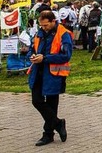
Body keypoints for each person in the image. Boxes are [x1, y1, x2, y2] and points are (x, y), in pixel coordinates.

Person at [27, 10, 72, 146]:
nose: (43, 28)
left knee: (52, 104)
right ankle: (58, 123)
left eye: (46, 25)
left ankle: (48, 134)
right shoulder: (39, 33)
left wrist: (45, 58)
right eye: (41, 25)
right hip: (38, 72)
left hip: (54, 74)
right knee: (37, 100)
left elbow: (66, 55)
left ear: (53, 21)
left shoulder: (63, 33)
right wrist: (31, 55)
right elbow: (32, 48)